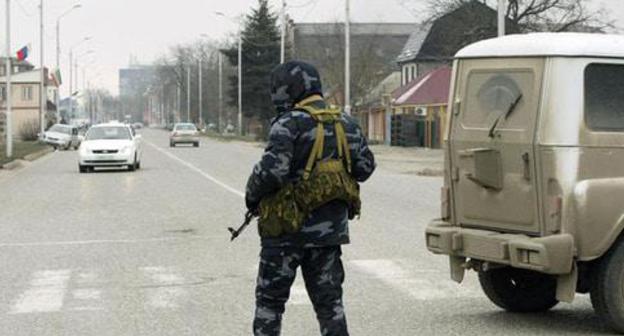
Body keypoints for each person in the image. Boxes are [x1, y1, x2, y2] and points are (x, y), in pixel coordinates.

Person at [245, 60, 376, 336]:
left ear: (289, 90)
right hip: (329, 235)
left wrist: (251, 196)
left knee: (270, 305)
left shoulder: (288, 124)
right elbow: (365, 168)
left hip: (284, 234)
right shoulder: (346, 123)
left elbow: (272, 173)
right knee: (330, 306)